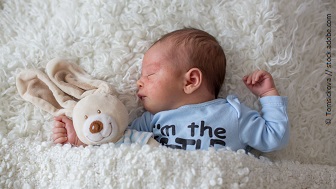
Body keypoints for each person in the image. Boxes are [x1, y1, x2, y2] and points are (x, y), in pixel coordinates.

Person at [53, 28, 289, 152]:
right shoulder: (149, 122)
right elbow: (115, 142)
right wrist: (81, 140)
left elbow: (274, 137)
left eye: (150, 74)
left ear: (190, 80)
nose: (139, 82)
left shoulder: (234, 114)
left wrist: (268, 96)